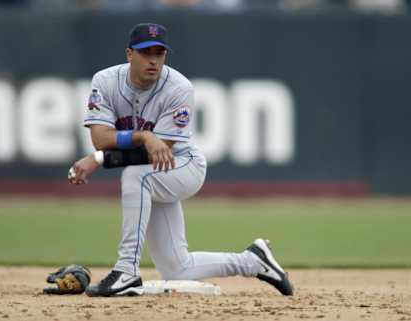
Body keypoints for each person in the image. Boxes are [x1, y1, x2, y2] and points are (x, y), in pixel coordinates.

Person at [68, 23, 293, 297]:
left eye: (159, 53)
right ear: (129, 54)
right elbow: (101, 138)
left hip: (183, 164)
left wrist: (99, 159)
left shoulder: (178, 87)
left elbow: (162, 150)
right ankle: (252, 261)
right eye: (145, 52)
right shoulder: (105, 81)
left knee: (135, 177)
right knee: (176, 268)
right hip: (152, 171)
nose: (153, 60)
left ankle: (126, 270)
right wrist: (140, 138)